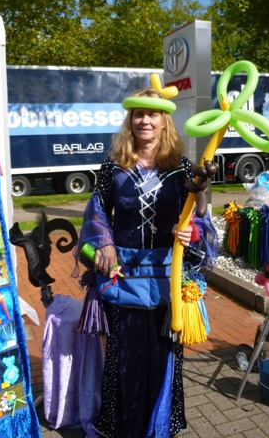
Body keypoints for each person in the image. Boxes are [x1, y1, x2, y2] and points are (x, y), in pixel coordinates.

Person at [75, 87, 215, 438]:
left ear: (164, 121)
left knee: (163, 352)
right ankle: (122, 426)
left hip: (167, 278)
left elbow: (199, 217)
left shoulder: (181, 169)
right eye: (138, 114)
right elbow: (96, 214)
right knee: (124, 354)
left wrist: (191, 232)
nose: (145, 120)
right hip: (122, 278)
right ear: (130, 121)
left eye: (152, 114)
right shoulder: (112, 167)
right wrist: (103, 244)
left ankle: (159, 424)